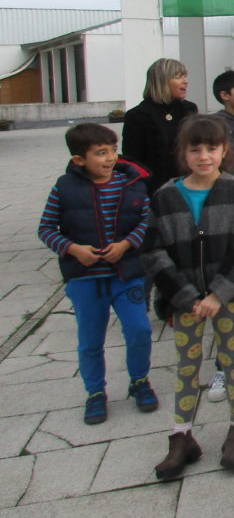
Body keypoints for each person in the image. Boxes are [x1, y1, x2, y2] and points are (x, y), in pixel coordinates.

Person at [141, 115, 234, 479]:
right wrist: (187, 296)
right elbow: (153, 251)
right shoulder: (165, 197)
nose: (204, 156)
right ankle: (181, 435)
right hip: (186, 301)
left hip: (228, 297)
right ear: (183, 153)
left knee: (231, 360)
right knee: (187, 364)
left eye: (212, 148)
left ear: (225, 150)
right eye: (195, 149)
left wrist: (219, 293)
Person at [38, 123, 156, 425]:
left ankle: (139, 380)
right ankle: (95, 392)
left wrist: (126, 244)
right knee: (91, 339)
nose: (110, 158)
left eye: (113, 150)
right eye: (101, 153)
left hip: (127, 273)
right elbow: (46, 228)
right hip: (85, 278)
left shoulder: (132, 184)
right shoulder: (64, 187)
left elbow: (147, 221)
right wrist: (73, 249)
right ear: (79, 159)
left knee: (139, 329)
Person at [122, 58, 197, 194]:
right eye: (178, 77)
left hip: (189, 184)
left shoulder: (189, 109)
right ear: (161, 81)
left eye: (185, 76)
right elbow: (133, 160)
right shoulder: (138, 115)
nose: (185, 81)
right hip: (155, 188)